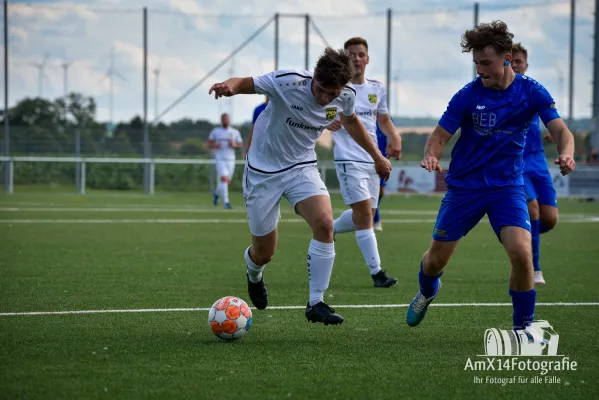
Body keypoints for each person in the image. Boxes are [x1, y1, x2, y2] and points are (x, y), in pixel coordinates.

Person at [405, 21, 575, 332]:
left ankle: (523, 329)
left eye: (486, 63)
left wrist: (567, 153)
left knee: (522, 254)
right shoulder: (467, 96)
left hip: (507, 188)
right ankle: (427, 291)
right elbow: (440, 136)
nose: (480, 71)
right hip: (465, 188)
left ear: (507, 58)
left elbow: (561, 131)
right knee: (434, 263)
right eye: (476, 64)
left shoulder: (532, 92)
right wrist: (431, 154)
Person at [208, 47, 392, 325]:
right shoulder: (287, 81)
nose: (325, 98)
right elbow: (243, 82)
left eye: (332, 94)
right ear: (313, 78)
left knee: (325, 224)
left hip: (302, 167)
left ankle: (316, 302)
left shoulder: (346, 95)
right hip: (262, 172)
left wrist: (377, 156)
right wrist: (228, 87)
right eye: (321, 90)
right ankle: (254, 273)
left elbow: (352, 122)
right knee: (264, 252)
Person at [327, 37, 402, 288]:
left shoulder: (376, 89)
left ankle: (330, 228)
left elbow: (383, 120)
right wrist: (328, 120)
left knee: (366, 215)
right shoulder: (337, 88)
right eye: (351, 55)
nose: (357, 59)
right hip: (348, 158)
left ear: (367, 59)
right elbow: (320, 111)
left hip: (372, 159)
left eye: (361, 54)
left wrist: (394, 136)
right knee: (364, 216)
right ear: (345, 59)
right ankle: (377, 273)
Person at [511, 43, 558, 285]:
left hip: (538, 161)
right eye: (512, 60)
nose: (515, 65)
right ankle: (535, 267)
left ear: (526, 65)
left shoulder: (533, 91)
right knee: (533, 210)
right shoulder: (501, 91)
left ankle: (517, 238)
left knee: (550, 218)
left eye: (519, 61)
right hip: (517, 163)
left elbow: (550, 118)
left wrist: (553, 136)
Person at [207, 113, 243, 209]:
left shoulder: (234, 132)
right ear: (221, 120)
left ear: (229, 120)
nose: (225, 121)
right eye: (223, 119)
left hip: (231, 159)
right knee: (224, 179)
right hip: (220, 158)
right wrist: (215, 145)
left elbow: (240, 144)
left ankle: (216, 194)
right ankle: (226, 202)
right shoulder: (216, 131)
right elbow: (209, 144)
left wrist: (234, 145)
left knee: (226, 182)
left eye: (226, 119)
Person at [373, 120, 390, 231]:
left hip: (382, 159)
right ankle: (375, 220)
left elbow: (391, 133)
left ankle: (371, 215)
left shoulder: (385, 119)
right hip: (367, 158)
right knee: (372, 192)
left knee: (381, 191)